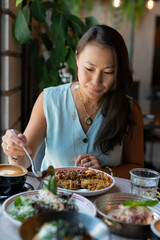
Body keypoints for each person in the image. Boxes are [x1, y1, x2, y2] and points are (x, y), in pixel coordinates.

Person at [1, 25, 144, 179]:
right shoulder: (49, 100)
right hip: (52, 199)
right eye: (89, 69)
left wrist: (105, 172)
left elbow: (137, 169)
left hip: (104, 202)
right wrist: (14, 150)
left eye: (108, 72)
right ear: (77, 58)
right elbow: (21, 163)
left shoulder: (130, 109)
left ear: (118, 72)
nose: (96, 81)